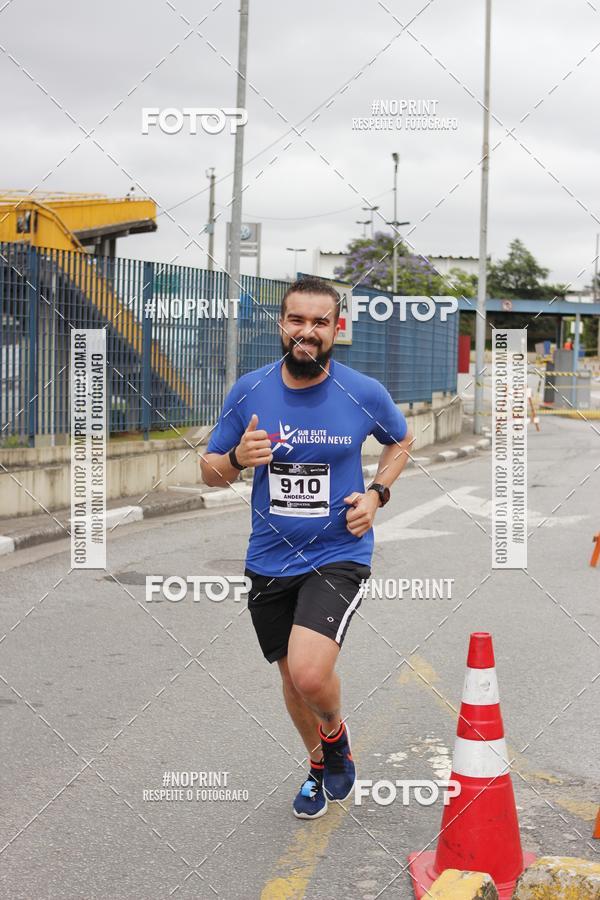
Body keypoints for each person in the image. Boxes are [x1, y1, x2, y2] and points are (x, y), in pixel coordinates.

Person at [200, 277, 413, 819]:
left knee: (310, 674)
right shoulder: (249, 389)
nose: (307, 332)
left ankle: (335, 737)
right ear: (281, 323)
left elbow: (400, 440)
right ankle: (318, 766)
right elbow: (209, 472)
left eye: (321, 322)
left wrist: (377, 492)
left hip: (338, 552)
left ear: (337, 330)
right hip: (268, 558)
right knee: (290, 678)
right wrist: (237, 461)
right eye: (298, 320)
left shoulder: (362, 392)